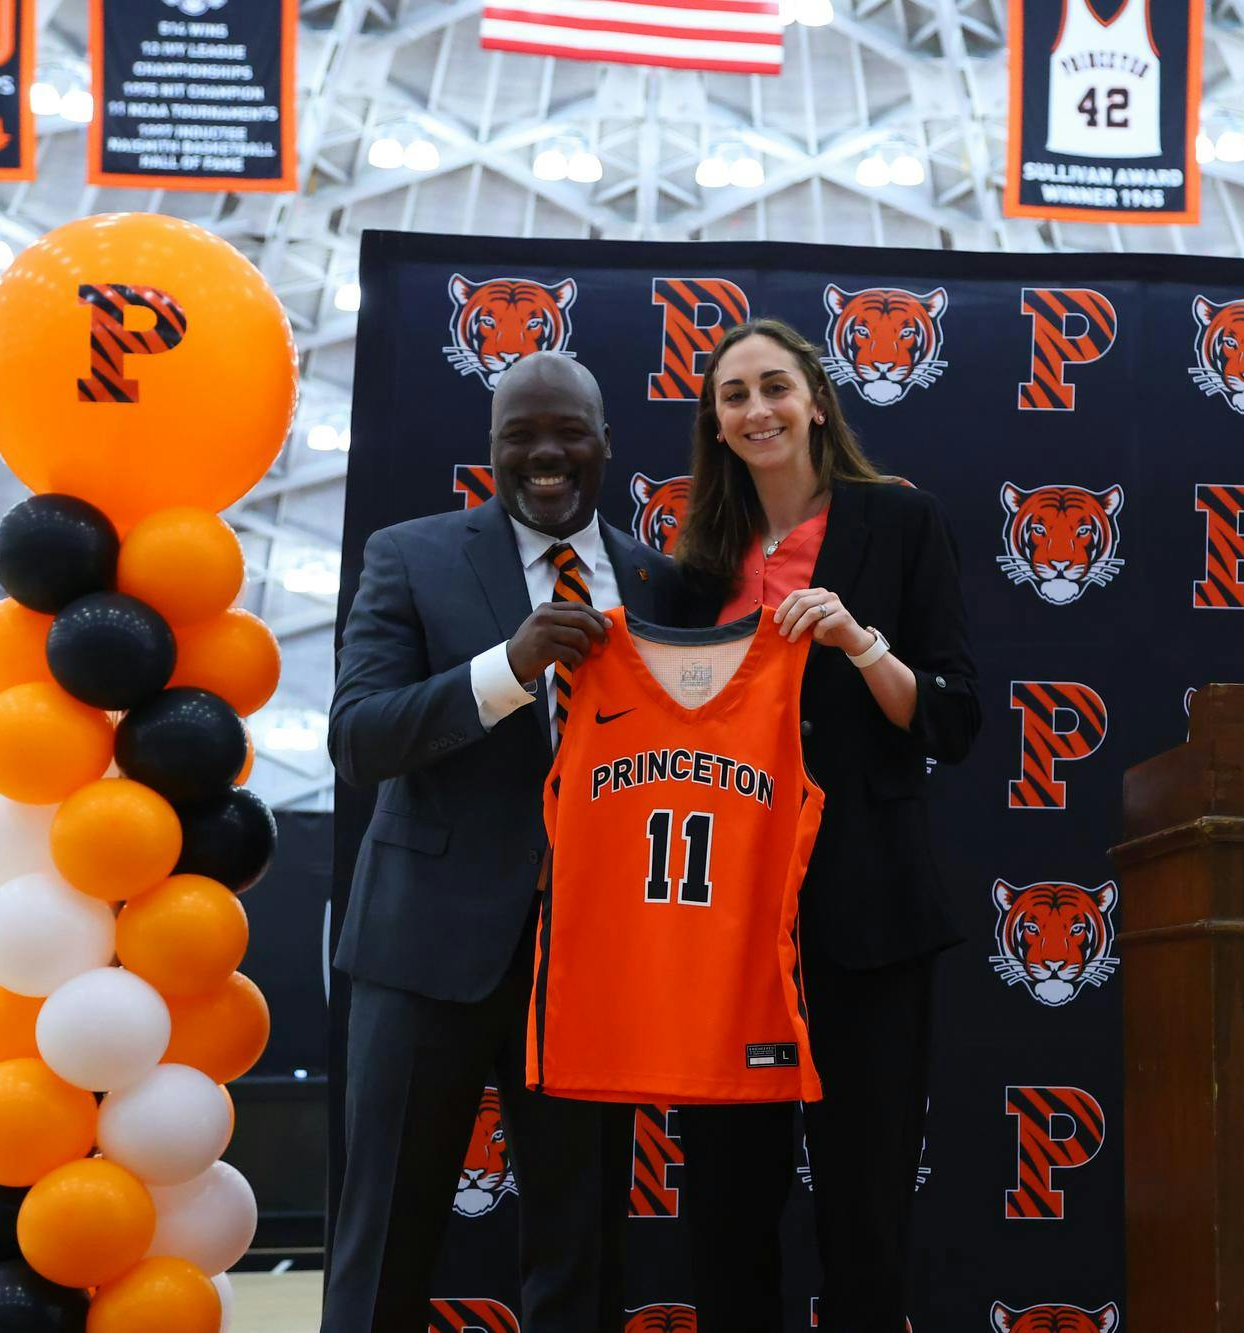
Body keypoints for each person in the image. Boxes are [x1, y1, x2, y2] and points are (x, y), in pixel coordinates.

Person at [324, 353, 696, 1332]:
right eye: (518, 434)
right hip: (425, 951)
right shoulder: (411, 554)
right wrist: (508, 667)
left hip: (594, 962)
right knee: (384, 1237)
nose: (544, 454)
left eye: (567, 430)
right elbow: (358, 737)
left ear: (605, 443)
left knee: (581, 1247)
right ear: (490, 450)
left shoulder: (663, 580)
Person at [669, 319, 980, 1331]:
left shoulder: (900, 525)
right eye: (732, 397)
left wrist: (859, 643)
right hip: (722, 926)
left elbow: (953, 717)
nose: (755, 410)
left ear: (814, 402)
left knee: (865, 1203)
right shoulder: (693, 562)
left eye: (772, 388)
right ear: (714, 425)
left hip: (868, 911)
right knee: (722, 1206)